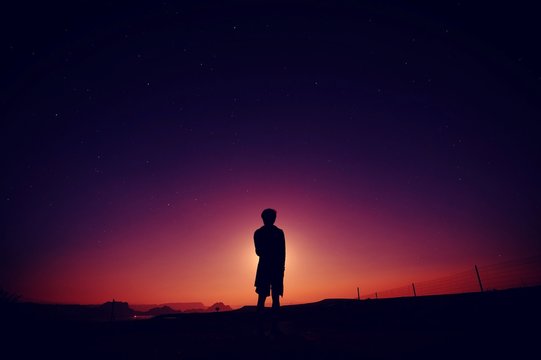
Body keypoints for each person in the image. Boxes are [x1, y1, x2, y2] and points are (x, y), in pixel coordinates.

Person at [254, 208, 286, 312]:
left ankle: (269, 326)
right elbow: (259, 251)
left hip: (269, 268)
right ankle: (267, 326)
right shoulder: (276, 233)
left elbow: (282, 253)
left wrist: (281, 268)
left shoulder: (259, 233)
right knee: (266, 298)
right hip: (269, 268)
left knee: (270, 298)